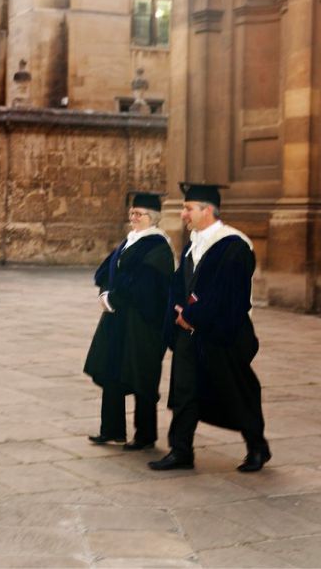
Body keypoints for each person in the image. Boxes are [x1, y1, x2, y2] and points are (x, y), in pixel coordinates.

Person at [148, 183, 271, 473]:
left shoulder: (234, 245)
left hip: (222, 334)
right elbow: (180, 282)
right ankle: (181, 451)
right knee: (184, 391)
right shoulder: (193, 243)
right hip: (189, 334)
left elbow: (228, 294)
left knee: (236, 391)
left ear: (207, 210)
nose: (183, 214)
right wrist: (177, 312)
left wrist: (193, 315)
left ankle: (257, 447)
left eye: (188, 208)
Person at [83, 192, 174, 451]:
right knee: (112, 370)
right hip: (118, 319)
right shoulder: (129, 241)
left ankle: (145, 436)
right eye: (132, 213)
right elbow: (105, 271)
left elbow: (146, 286)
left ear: (153, 217)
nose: (133, 218)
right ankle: (111, 430)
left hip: (143, 323)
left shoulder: (158, 246)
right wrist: (105, 293)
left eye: (139, 214)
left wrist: (115, 297)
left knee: (142, 375)